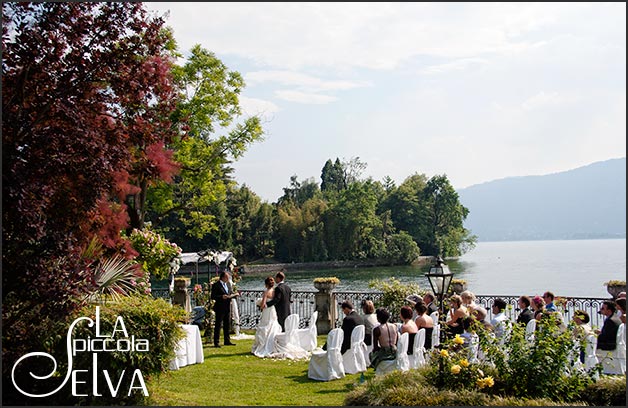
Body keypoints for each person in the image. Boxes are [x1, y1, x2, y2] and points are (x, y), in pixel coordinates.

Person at [251, 276, 282, 357]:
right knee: (272, 325)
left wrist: (259, 304)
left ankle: (263, 345)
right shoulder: (274, 291)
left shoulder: (266, 292)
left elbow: (263, 304)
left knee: (265, 325)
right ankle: (273, 344)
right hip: (272, 310)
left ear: (266, 284)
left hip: (267, 311)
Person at [210, 271, 239, 347]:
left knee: (227, 324)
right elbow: (213, 296)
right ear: (223, 277)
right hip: (219, 307)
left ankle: (227, 340)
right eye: (227, 277)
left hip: (227, 306)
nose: (228, 278)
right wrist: (221, 297)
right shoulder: (216, 285)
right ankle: (216, 342)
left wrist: (234, 294)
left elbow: (230, 292)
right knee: (218, 324)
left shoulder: (228, 284)